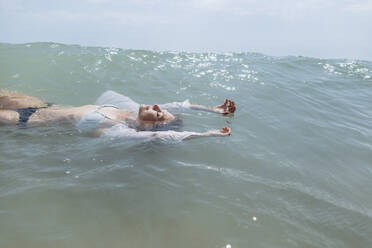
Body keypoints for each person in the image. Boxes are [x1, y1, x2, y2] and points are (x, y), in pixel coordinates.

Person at [0, 90, 236, 142]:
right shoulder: (131, 109)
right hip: (43, 105)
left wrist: (209, 133)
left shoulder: (119, 131)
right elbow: (179, 105)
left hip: (27, 121)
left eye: (159, 112)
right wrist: (212, 110)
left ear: (151, 126)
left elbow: (169, 136)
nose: (156, 106)